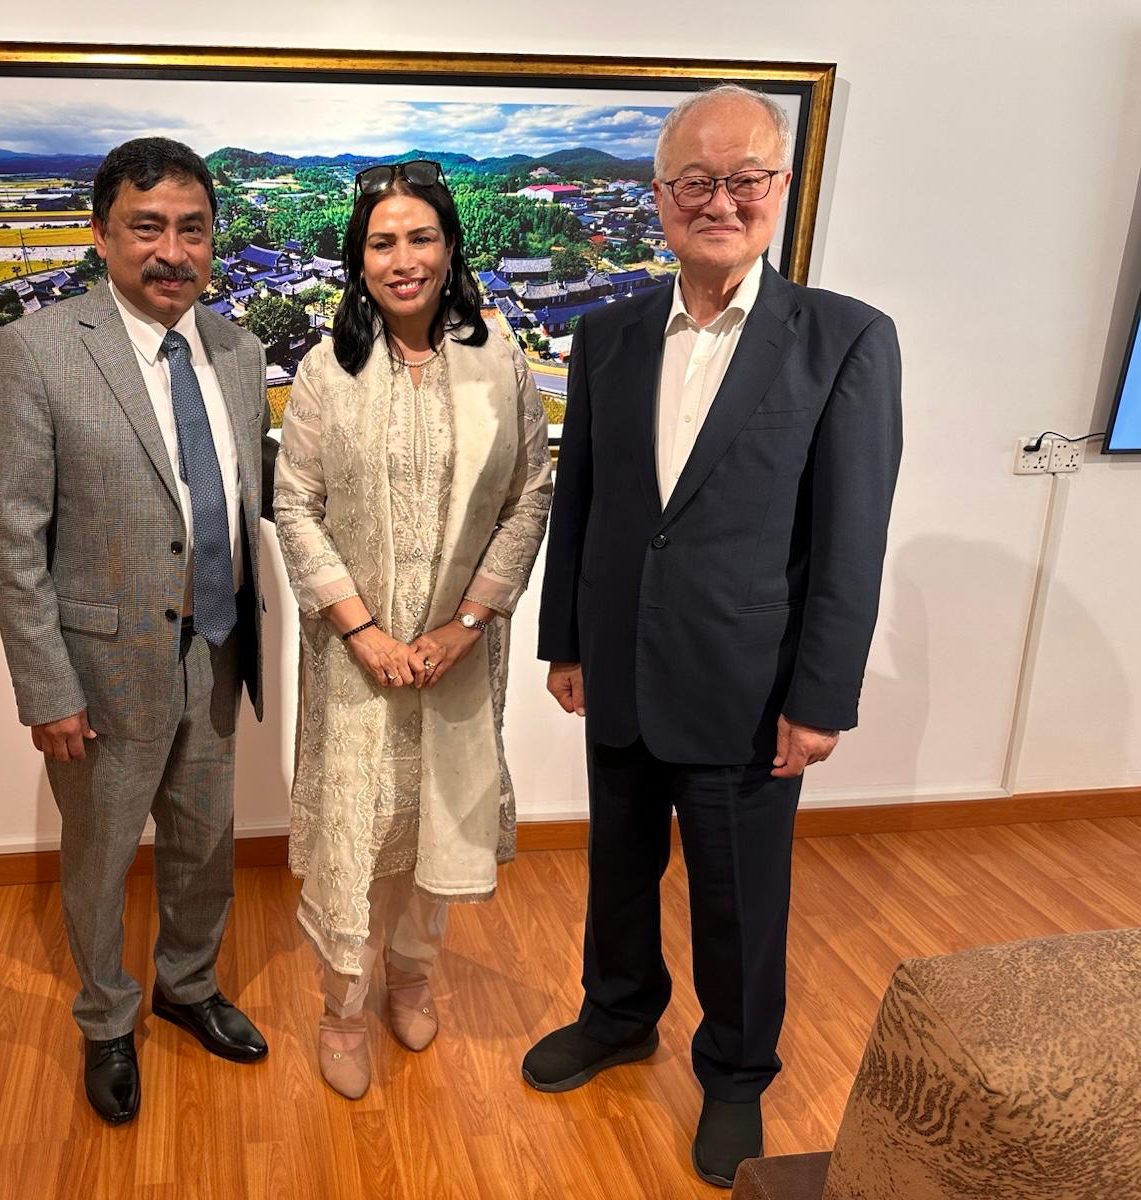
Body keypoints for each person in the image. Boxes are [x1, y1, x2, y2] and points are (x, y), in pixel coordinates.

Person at [525, 84, 902, 1187]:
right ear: (659, 197)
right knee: (618, 866)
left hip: (750, 685)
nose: (719, 200)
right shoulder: (607, 332)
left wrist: (821, 699)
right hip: (621, 669)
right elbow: (581, 502)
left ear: (780, 190)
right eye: (695, 180)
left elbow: (849, 539)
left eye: (744, 178)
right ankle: (618, 1013)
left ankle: (735, 1074)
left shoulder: (842, 340)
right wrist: (564, 643)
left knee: (740, 897)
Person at [0, 137, 277, 1127]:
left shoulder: (235, 349)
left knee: (204, 842)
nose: (172, 250)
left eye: (192, 228)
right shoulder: (38, 349)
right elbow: (12, 536)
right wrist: (46, 687)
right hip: (102, 668)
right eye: (146, 226)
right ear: (102, 234)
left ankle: (186, 987)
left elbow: (238, 498)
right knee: (101, 855)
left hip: (217, 645)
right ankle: (106, 1018)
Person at [274, 159, 553, 1100]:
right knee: (365, 824)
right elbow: (296, 506)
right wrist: (365, 634)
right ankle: (341, 1009)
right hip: (358, 660)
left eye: (420, 237)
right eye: (382, 241)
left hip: (460, 656)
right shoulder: (328, 368)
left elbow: (532, 496)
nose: (403, 259)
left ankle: (415, 975)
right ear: (358, 259)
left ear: (449, 246)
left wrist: (465, 624)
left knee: (440, 818)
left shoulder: (500, 359)